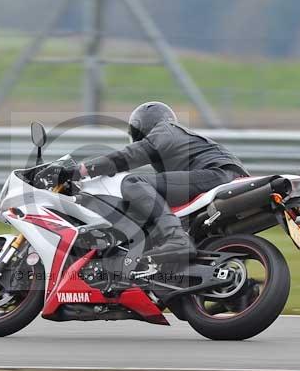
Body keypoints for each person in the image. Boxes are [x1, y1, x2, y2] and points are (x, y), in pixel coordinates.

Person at [35, 102, 248, 261]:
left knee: (133, 182)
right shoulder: (178, 142)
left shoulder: (167, 129)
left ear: (143, 126)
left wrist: (80, 171)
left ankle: (176, 240)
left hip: (218, 175)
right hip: (221, 177)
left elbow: (133, 154)